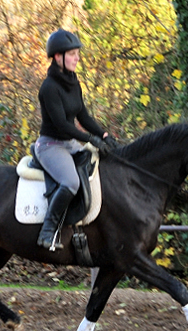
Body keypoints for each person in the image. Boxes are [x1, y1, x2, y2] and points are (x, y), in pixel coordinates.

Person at [35, 28, 116, 250]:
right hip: (51, 145)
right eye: (72, 54)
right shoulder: (49, 88)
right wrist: (90, 139)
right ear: (58, 57)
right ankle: (48, 231)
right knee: (70, 182)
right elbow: (62, 125)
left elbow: (83, 116)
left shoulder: (74, 82)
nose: (77, 58)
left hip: (69, 143)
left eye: (77, 53)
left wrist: (104, 135)